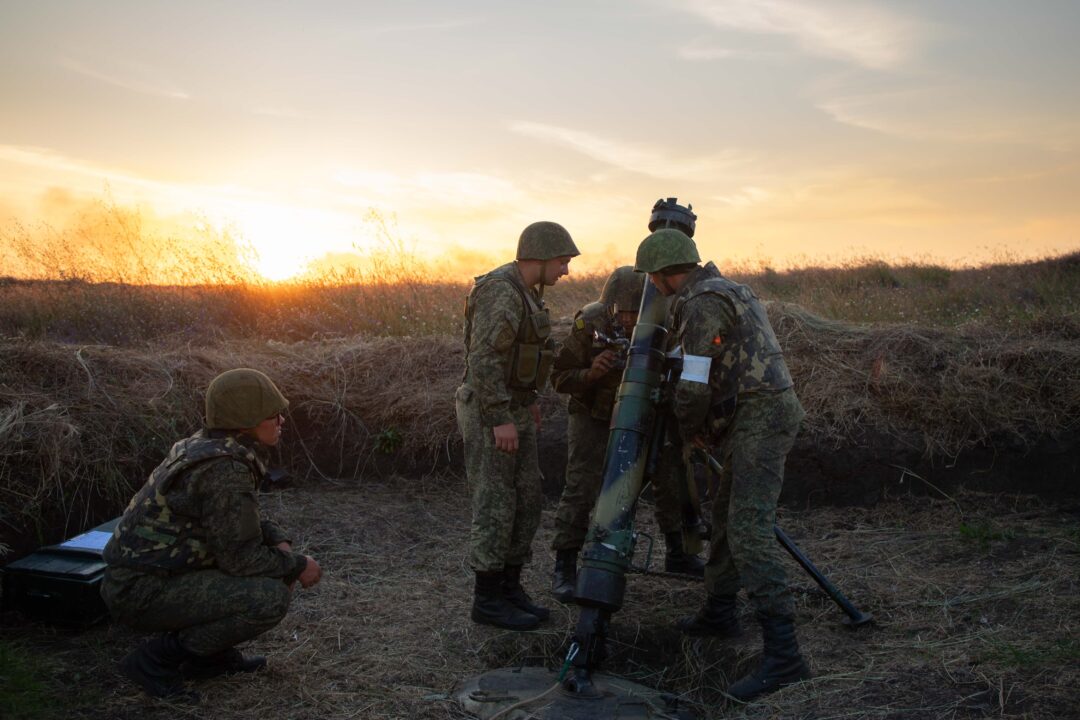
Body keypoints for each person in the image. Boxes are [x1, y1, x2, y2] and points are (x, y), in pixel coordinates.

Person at [634, 227, 810, 702]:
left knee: (749, 529)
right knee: (729, 519)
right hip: (755, 414)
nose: (653, 285)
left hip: (760, 418)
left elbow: (694, 383)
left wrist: (688, 427)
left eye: (652, 277)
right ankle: (720, 612)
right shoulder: (725, 288)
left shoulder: (701, 303)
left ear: (663, 274)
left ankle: (785, 656)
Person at [101, 368, 322, 700]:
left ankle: (208, 657)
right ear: (245, 419)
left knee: (267, 574)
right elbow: (242, 559)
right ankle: (155, 660)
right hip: (141, 591)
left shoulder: (206, 446)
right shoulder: (224, 468)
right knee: (269, 597)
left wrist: (278, 539)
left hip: (145, 577)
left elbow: (234, 519)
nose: (281, 421)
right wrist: (297, 565)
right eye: (272, 414)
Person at [549, 263, 705, 604]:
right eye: (623, 313)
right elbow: (559, 377)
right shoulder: (590, 323)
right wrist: (591, 373)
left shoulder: (667, 325)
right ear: (610, 307)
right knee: (582, 484)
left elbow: (687, 369)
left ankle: (680, 552)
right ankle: (565, 565)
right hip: (594, 415)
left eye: (637, 314)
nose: (630, 321)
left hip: (649, 411)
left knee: (671, 475)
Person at [455, 221, 579, 631]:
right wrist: (500, 418)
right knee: (496, 503)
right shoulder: (501, 291)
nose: (565, 270)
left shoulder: (527, 292)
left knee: (527, 499)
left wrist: (527, 403)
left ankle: (510, 587)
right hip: (491, 411)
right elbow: (484, 360)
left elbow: (522, 355)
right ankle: (487, 599)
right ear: (540, 257)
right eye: (562, 261)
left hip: (514, 407)